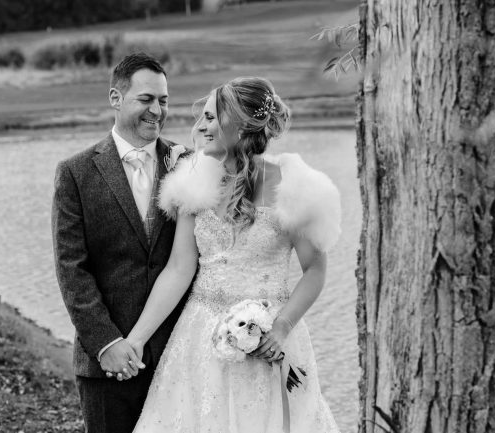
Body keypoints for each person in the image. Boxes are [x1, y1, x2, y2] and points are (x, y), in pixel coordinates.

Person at [125, 76, 341, 432]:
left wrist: (281, 328)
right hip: (199, 339)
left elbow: (315, 271)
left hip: (270, 339)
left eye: (211, 117)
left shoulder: (295, 187)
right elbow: (179, 270)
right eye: (202, 117)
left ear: (239, 122)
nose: (200, 126)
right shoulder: (193, 182)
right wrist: (136, 338)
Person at [51, 53, 190, 433]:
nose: (157, 111)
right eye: (146, 99)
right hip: (106, 366)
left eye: (163, 100)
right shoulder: (75, 172)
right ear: (116, 98)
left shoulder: (188, 164)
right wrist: (106, 343)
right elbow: (71, 269)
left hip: (179, 357)